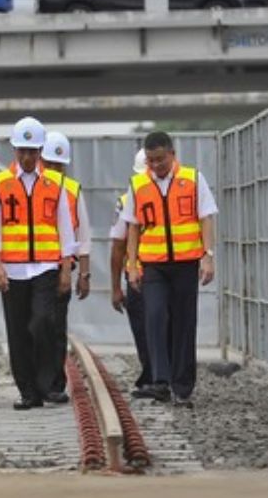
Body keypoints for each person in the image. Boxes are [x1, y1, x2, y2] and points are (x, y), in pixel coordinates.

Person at [0, 117, 77, 410]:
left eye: (32, 151)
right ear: (14, 150)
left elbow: (65, 228)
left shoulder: (56, 183)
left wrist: (65, 269)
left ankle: (47, 383)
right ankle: (28, 392)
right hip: (13, 270)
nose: (27, 157)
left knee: (42, 322)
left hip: (45, 268)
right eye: (22, 151)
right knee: (18, 332)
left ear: (40, 152)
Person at [123, 131, 218, 408]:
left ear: (172, 155)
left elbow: (206, 219)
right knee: (154, 316)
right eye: (151, 161)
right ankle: (161, 381)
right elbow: (133, 228)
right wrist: (132, 266)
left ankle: (182, 386)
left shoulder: (193, 179)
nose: (156, 166)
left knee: (184, 322)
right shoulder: (138, 185)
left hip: (186, 264)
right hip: (153, 266)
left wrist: (207, 256)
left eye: (160, 160)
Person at [40, 131, 90, 404]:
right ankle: (36, 381)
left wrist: (83, 273)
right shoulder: (28, 189)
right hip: (32, 268)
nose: (54, 170)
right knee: (36, 326)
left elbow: (82, 235)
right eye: (49, 164)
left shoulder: (72, 191)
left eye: (59, 165)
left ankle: (55, 383)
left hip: (61, 270)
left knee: (56, 327)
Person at [110, 149, 154, 398]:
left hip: (165, 272)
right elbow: (118, 246)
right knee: (143, 328)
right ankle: (152, 375)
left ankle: (160, 376)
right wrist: (116, 287)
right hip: (138, 275)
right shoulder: (127, 201)